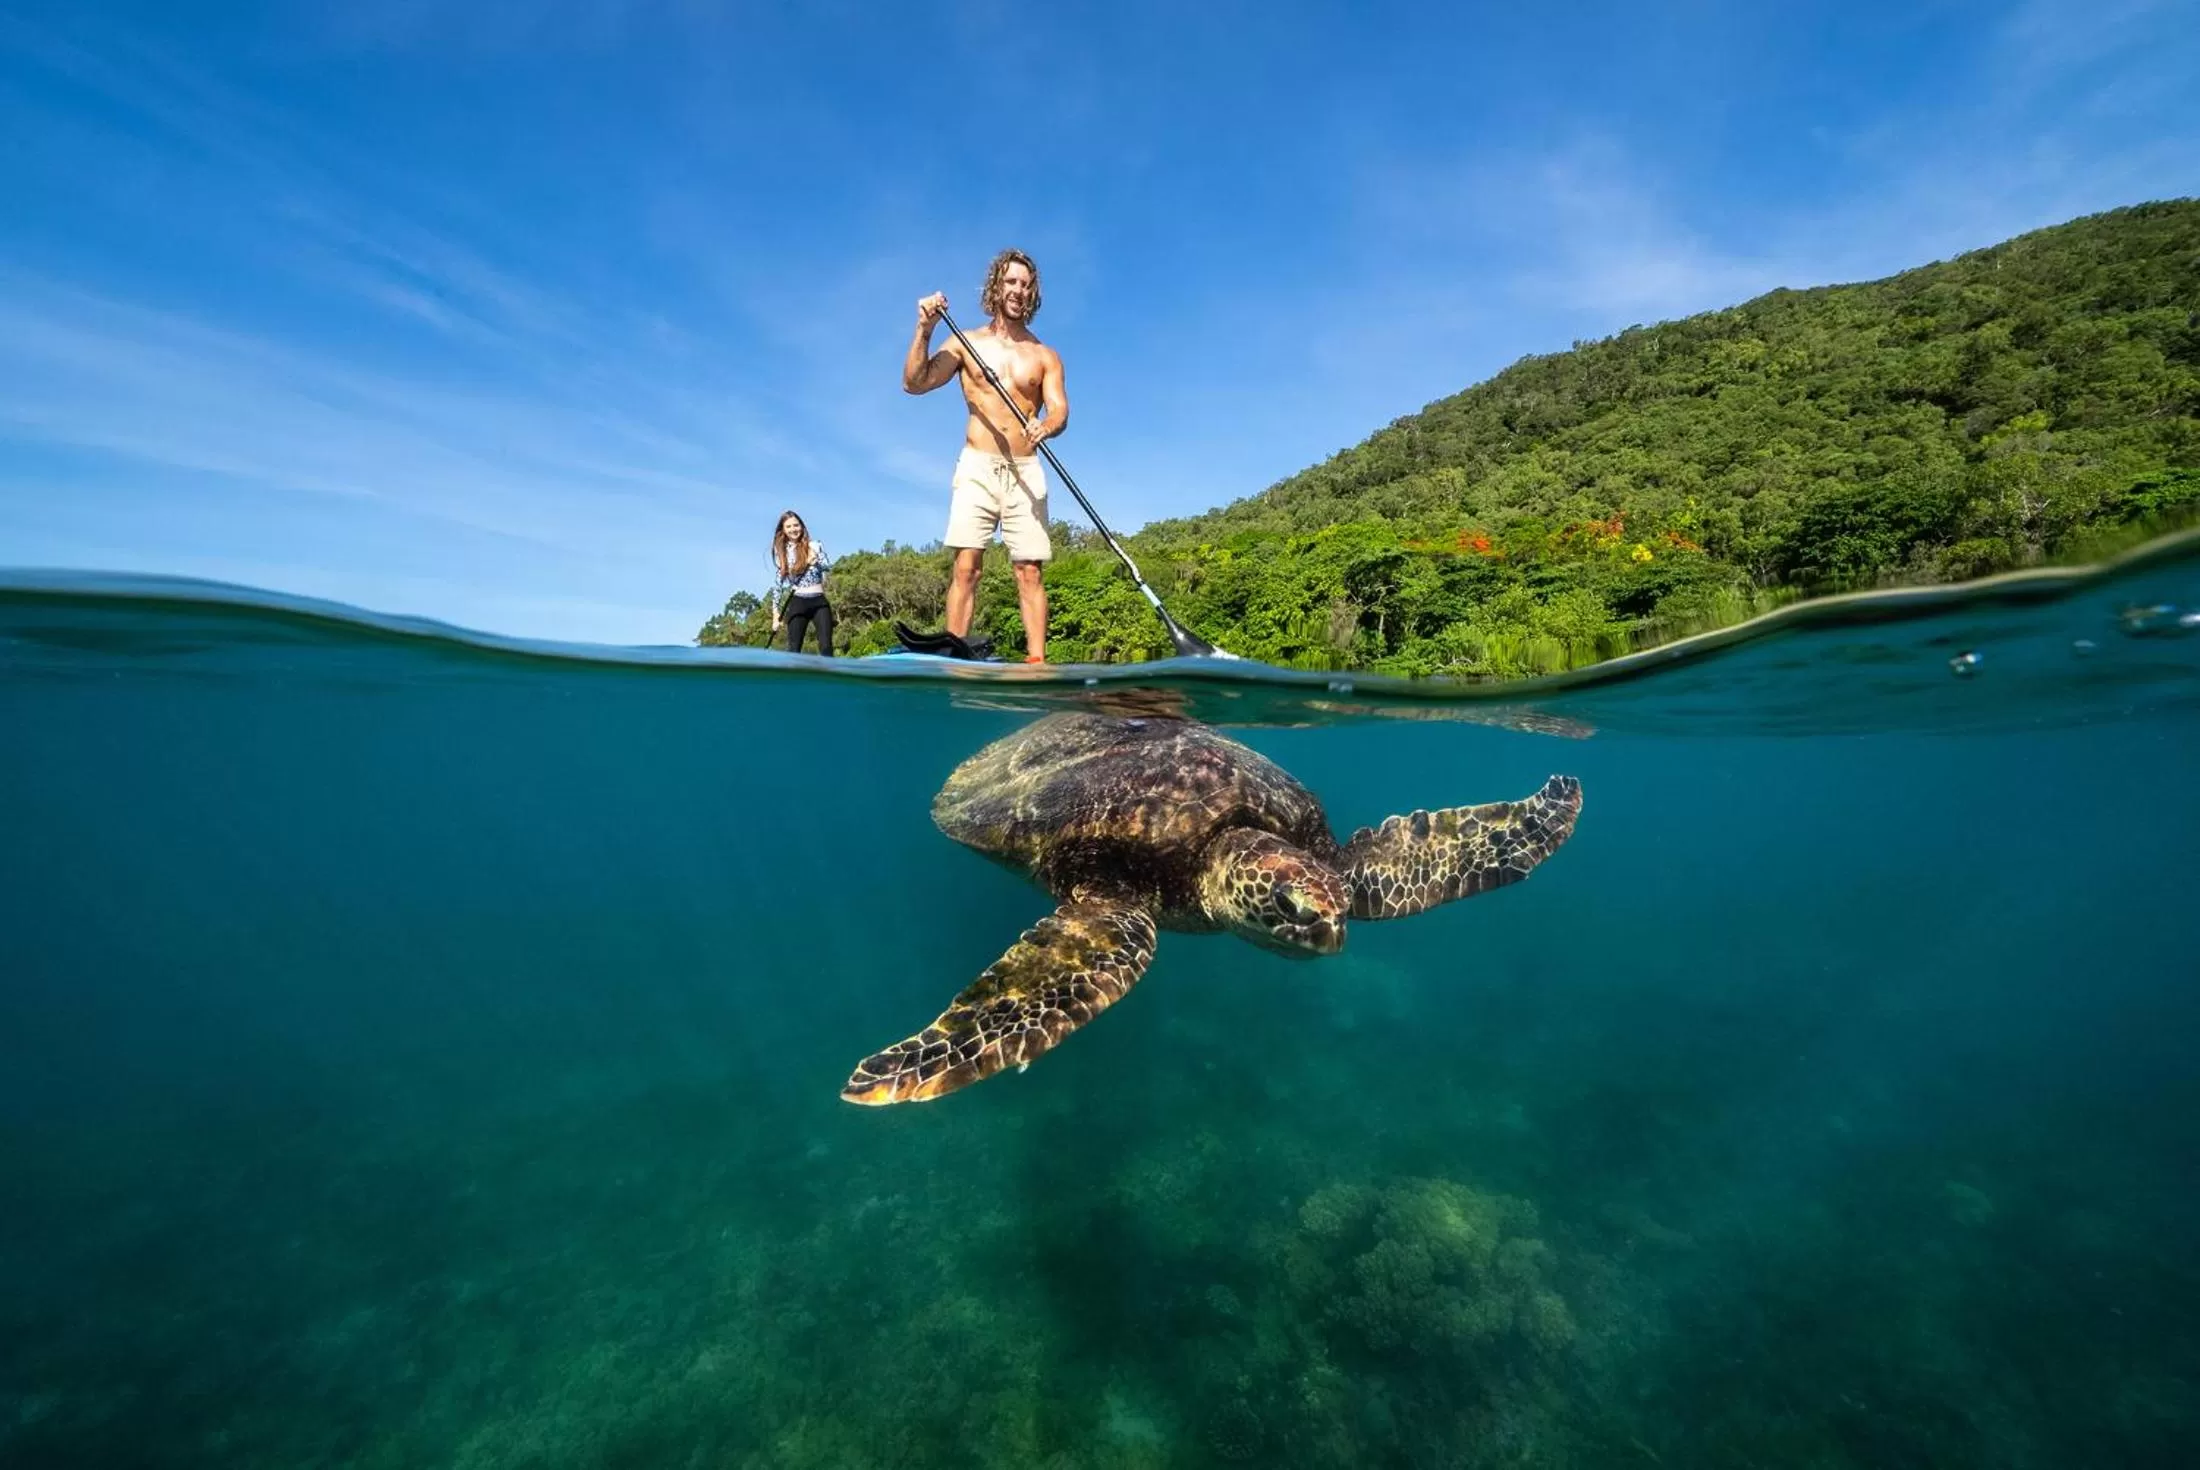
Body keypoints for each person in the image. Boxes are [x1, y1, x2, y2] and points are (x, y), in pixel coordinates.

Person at [902, 248, 1067, 664]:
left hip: (1025, 469)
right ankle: (953, 659)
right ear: (996, 285)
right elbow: (915, 383)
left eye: (1025, 284)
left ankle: (1036, 663)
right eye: (1011, 281)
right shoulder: (966, 343)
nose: (1018, 290)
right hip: (977, 465)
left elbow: (1059, 409)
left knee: (1029, 571)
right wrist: (925, 329)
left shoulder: (1045, 356)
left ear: (1032, 293)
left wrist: (1046, 425)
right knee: (967, 566)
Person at [768, 509, 835, 656]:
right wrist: (775, 613)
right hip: (798, 602)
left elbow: (828, 566)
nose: (793, 529)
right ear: (783, 530)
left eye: (796, 525)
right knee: (794, 649)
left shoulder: (814, 545)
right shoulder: (782, 552)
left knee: (826, 647)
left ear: (802, 526)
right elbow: (778, 583)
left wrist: (817, 558)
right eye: (789, 526)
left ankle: (827, 669)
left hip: (819, 601)